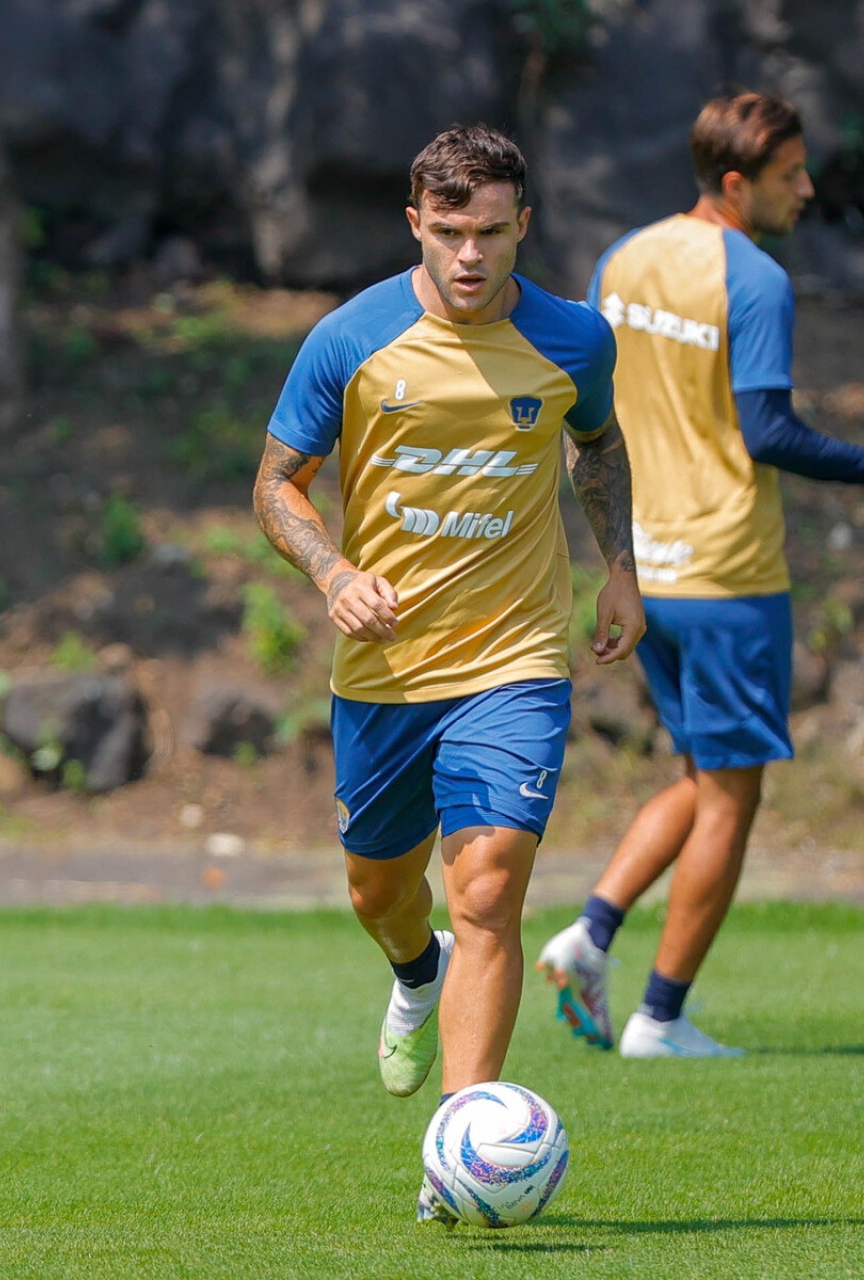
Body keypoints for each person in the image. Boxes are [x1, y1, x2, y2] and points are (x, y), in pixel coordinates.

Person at [252, 125, 643, 1220]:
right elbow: (276, 484)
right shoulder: (350, 338)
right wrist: (333, 571)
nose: (471, 255)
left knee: (490, 886)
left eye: (493, 232)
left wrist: (620, 568)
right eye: (450, 231)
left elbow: (599, 445)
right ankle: (412, 969)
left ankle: (461, 1154)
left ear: (525, 226)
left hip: (516, 658)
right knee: (380, 890)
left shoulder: (574, 338)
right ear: (415, 224)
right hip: (384, 667)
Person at [535, 92, 864, 1059]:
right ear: (735, 182)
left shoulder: (621, 258)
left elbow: (583, 399)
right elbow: (766, 432)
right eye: (789, 175)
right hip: (724, 572)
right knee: (733, 794)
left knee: (701, 773)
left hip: (644, 570)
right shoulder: (755, 279)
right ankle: (660, 1019)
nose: (808, 189)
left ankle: (589, 935)